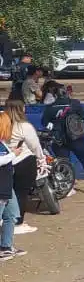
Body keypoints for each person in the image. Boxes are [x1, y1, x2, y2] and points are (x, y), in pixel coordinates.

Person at [40, 82, 84, 193]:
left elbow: (44, 122)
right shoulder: (75, 104)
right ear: (66, 93)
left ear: (55, 95)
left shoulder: (50, 107)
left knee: (64, 162)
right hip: (75, 137)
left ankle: (69, 186)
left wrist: (55, 126)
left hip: (58, 138)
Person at [4, 98, 43, 236]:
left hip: (6, 164)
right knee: (21, 193)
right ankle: (18, 223)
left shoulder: (4, 125)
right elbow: (35, 145)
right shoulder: (24, 126)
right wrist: (41, 158)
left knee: (8, 195)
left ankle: (7, 220)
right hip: (23, 162)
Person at [0, 111, 22, 261]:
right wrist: (13, 154)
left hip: (7, 186)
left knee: (12, 215)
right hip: (1, 187)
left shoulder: (2, 143)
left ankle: (6, 247)